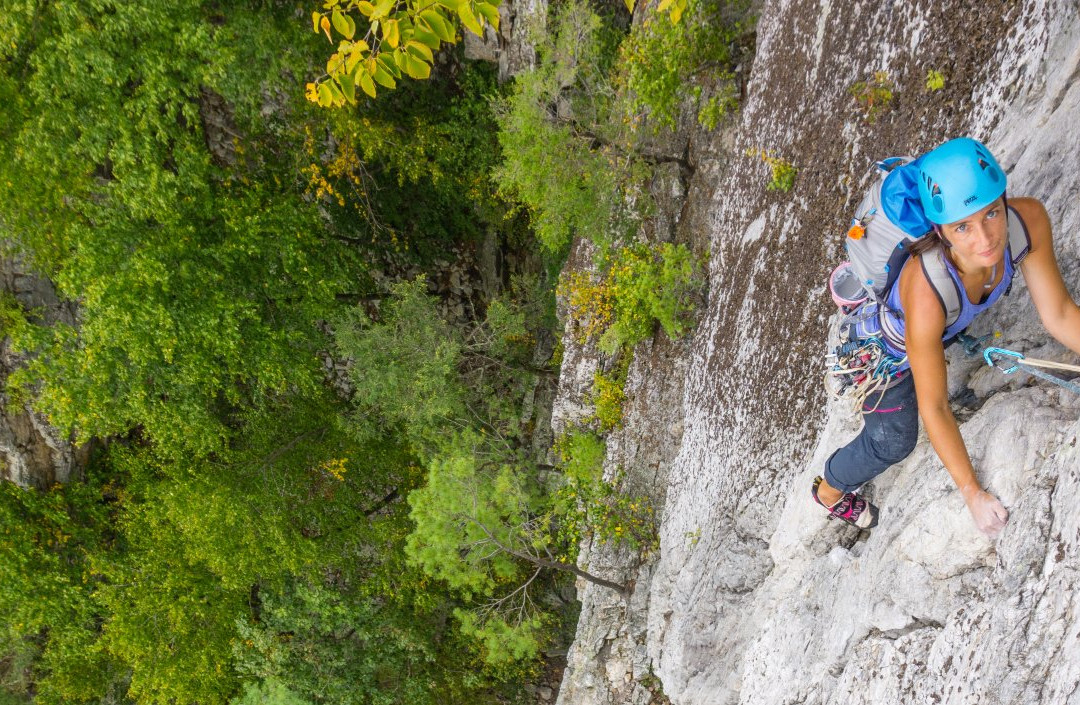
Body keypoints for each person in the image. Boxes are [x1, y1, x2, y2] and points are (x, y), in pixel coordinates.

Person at [812, 137, 1080, 537]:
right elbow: (934, 406)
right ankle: (829, 490)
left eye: (991, 213)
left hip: (941, 323)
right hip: (888, 350)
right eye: (963, 227)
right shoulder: (927, 290)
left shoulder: (1027, 222)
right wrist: (973, 493)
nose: (985, 239)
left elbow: (1059, 314)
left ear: (1004, 199)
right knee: (893, 442)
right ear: (940, 230)